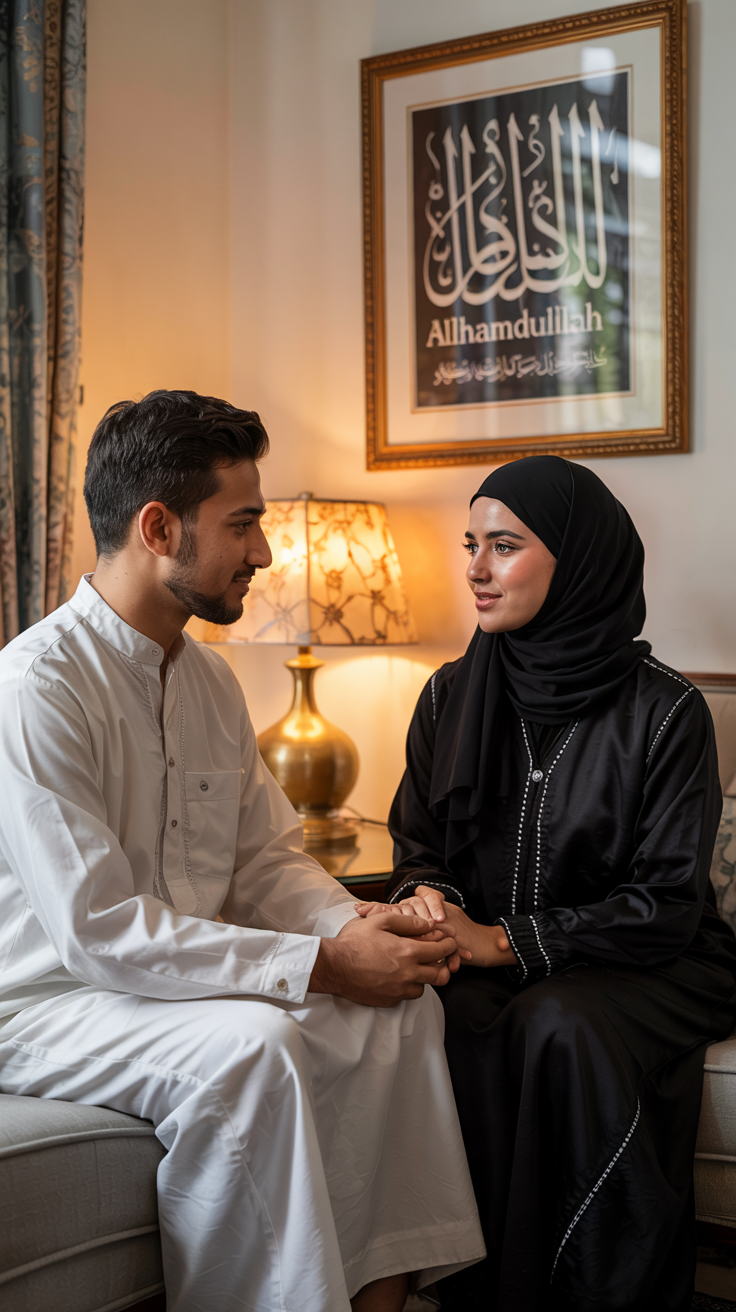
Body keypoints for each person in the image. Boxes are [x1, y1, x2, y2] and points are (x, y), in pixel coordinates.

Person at [0, 390, 485, 1312]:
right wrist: (325, 965)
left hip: (164, 981)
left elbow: (264, 862)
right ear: (158, 527)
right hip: (46, 1000)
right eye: (244, 524)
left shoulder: (211, 680)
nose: (263, 553)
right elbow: (98, 931)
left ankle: (381, 1300)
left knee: (402, 1009)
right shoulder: (36, 688)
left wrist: (360, 925)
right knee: (255, 1043)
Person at [370, 456, 736, 1312]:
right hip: (503, 962)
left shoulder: (667, 712)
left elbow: (666, 905)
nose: (476, 568)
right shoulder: (447, 697)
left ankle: (594, 1294)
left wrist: (501, 941)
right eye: (472, 545)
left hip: (660, 961)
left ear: (577, 558)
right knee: (435, 1008)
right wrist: (433, 906)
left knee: (557, 1018)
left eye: (505, 545)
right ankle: (476, 1286)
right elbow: (418, 849)